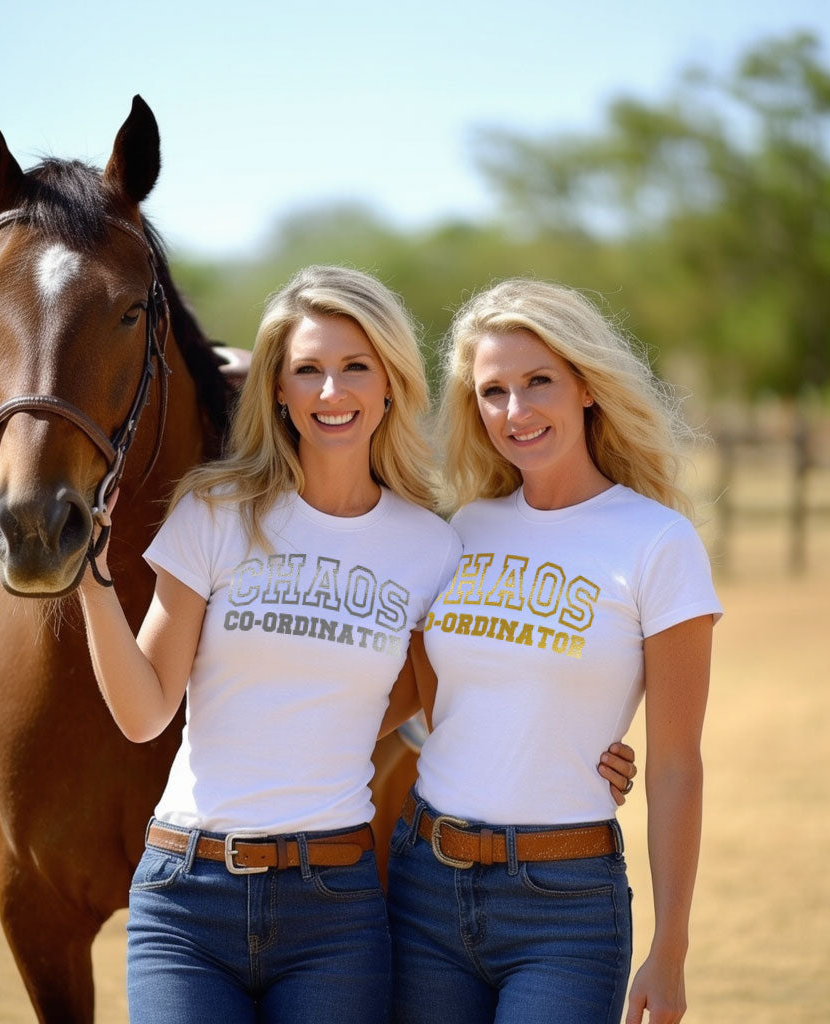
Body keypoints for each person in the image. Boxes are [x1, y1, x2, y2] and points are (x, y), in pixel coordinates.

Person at [78, 266, 637, 1023]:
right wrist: (89, 577)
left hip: (334, 910)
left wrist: (584, 746)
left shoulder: (430, 547)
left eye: (355, 368)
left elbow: (460, 695)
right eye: (307, 370)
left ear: (389, 385)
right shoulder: (214, 512)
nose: (331, 392)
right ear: (278, 389)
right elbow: (145, 712)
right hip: (187, 898)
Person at [387, 278, 721, 1024]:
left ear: (588, 388)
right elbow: (440, 703)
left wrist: (670, 950)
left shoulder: (657, 543)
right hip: (423, 884)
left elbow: (674, 765)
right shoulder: (464, 529)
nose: (516, 410)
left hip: (564, 907)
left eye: (539, 381)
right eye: (493, 390)